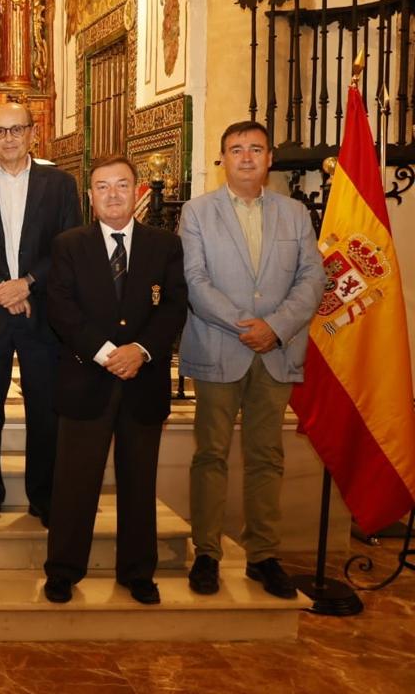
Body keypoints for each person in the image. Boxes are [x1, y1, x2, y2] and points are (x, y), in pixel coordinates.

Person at [180, 120, 323, 599]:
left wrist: (277, 328)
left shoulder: (295, 215)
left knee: (268, 455)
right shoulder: (198, 213)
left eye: (255, 149)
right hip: (221, 348)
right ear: (222, 159)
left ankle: (263, 554)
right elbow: (196, 282)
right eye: (236, 149)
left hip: (276, 353)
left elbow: (311, 280)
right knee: (211, 454)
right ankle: (206, 553)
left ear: (269, 159)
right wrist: (249, 326)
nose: (246, 157)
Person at [42, 156, 188, 605]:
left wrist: (139, 352)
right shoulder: (69, 244)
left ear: (137, 190)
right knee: (74, 483)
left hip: (142, 383)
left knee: (139, 482)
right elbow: (61, 309)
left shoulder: (164, 244)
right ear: (90, 196)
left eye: (121, 185)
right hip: (87, 380)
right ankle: (64, 570)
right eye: (102, 187)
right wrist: (107, 354)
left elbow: (174, 307)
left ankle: (137, 571)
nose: (112, 194)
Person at [0, 102, 80, 527]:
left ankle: (43, 496)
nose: (8, 139)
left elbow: (68, 246)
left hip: (40, 315)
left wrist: (27, 284)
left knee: (45, 410)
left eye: (16, 130)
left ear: (32, 133)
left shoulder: (60, 185)